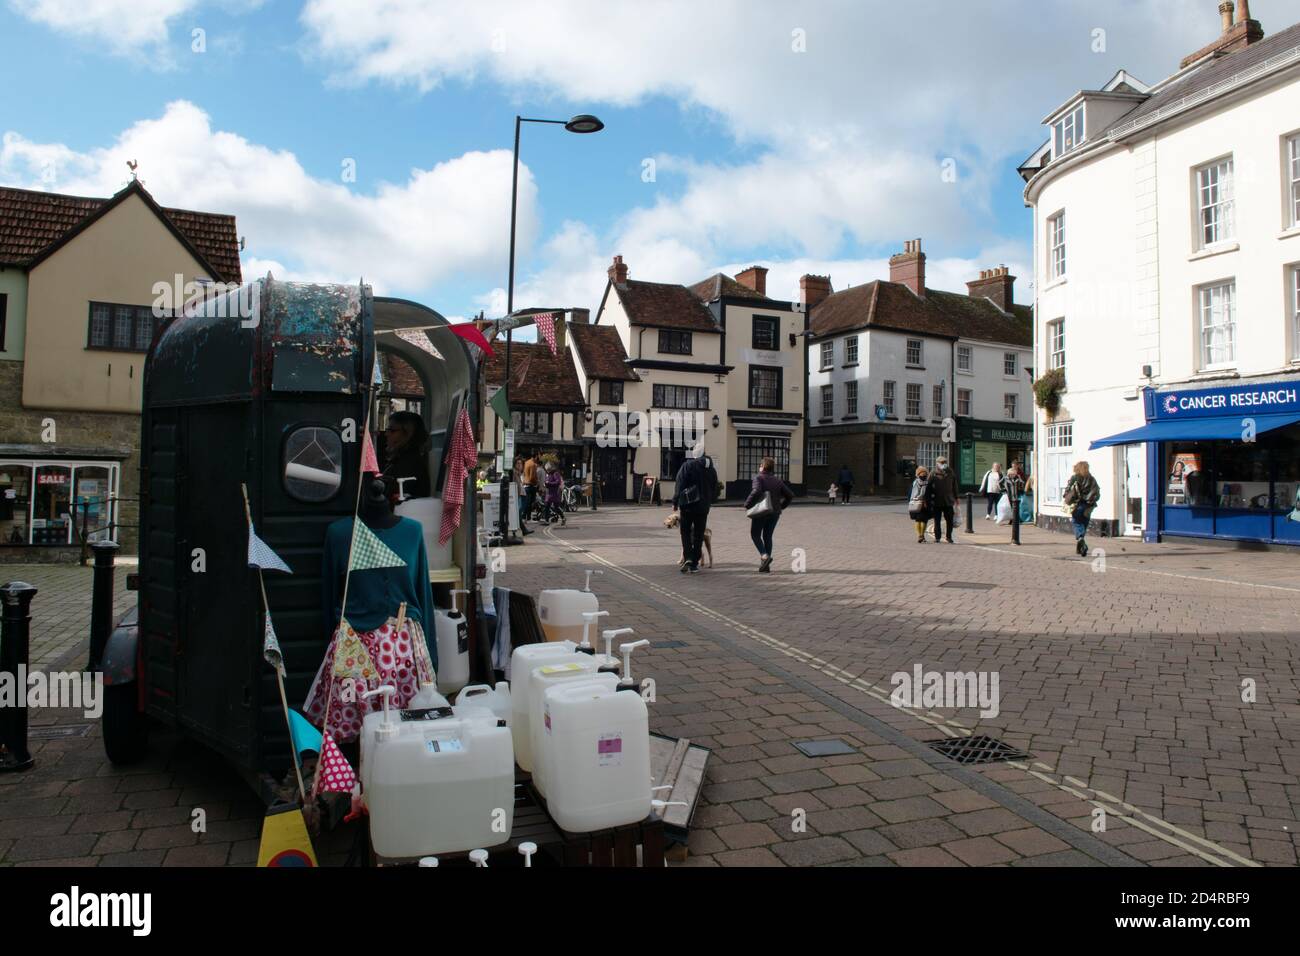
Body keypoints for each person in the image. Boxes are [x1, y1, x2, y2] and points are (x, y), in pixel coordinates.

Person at [671, 447, 718, 574]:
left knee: (685, 532)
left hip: (687, 505)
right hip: (703, 507)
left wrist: (675, 502)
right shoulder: (711, 469)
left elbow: (679, 484)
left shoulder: (687, 466)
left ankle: (688, 558)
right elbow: (715, 487)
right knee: (699, 534)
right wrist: (709, 500)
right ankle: (694, 564)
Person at [745, 457, 794, 573]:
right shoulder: (777, 480)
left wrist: (747, 504)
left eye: (760, 465)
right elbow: (790, 495)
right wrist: (782, 506)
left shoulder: (759, 478)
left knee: (755, 535)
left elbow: (756, 491)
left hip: (762, 511)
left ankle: (764, 556)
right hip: (775, 512)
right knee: (768, 536)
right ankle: (765, 566)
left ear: (762, 466)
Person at [381, 411, 431, 500]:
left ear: (409, 434)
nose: (386, 434)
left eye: (392, 430)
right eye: (387, 430)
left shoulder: (410, 463)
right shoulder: (399, 459)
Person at [1062, 460, 1101, 556]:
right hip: (1089, 506)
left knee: (1076, 522)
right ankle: (1080, 547)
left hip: (1077, 504)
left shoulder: (1075, 477)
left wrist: (1066, 496)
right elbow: (1097, 493)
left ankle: (1081, 540)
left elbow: (1068, 490)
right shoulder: (1092, 479)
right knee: (1084, 523)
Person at [929, 456, 957, 543]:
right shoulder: (933, 473)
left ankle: (949, 537)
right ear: (937, 463)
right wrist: (928, 498)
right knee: (937, 520)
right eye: (941, 462)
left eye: (944, 462)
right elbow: (928, 487)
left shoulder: (950, 472)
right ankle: (937, 537)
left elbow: (954, 485)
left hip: (948, 500)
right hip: (937, 500)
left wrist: (957, 497)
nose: (943, 464)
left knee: (949, 520)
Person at [908, 466, 934, 544]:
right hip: (925, 504)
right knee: (924, 520)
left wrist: (911, 501)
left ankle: (919, 535)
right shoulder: (928, 483)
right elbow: (931, 493)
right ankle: (922, 535)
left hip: (915, 503)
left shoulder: (915, 483)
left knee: (917, 520)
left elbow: (910, 494)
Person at [1003, 461, 1026, 545]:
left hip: (1016, 496)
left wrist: (1019, 479)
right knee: (1009, 508)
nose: (1012, 475)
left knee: (1015, 508)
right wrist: (1003, 491)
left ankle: (1015, 520)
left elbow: (1022, 484)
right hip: (1008, 496)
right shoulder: (1005, 478)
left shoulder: (1017, 478)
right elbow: (1000, 484)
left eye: (1013, 474)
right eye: (1011, 474)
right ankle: (1011, 519)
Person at [542, 460, 566, 526]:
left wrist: (549, 483)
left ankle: (563, 517)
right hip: (549, 493)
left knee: (556, 507)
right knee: (547, 506)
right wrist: (545, 483)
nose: (547, 471)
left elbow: (558, 482)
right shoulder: (548, 474)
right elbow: (546, 481)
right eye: (546, 469)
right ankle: (546, 520)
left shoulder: (555, 473)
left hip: (555, 493)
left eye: (548, 469)